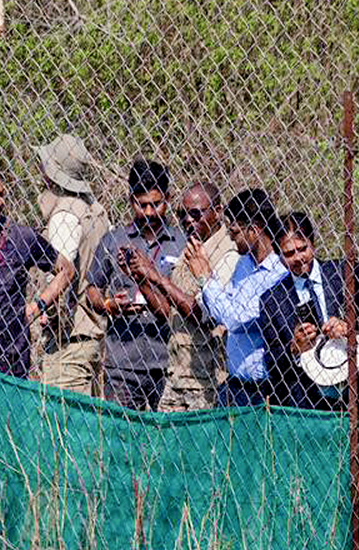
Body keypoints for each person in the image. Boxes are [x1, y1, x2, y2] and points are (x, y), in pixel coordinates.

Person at [259, 211, 359, 411]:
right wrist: (295, 348)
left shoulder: (346, 273)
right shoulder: (272, 300)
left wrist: (349, 327)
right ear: (279, 255)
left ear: (313, 244)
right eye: (289, 254)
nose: (299, 258)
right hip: (308, 403)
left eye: (303, 249)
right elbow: (272, 360)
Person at [125, 182, 238, 412]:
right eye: (182, 214)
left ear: (217, 211)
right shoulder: (191, 247)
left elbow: (202, 315)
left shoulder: (229, 253)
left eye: (196, 213)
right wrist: (141, 278)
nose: (187, 220)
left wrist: (157, 277)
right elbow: (169, 312)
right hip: (177, 373)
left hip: (208, 379)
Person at [85, 159, 187, 411]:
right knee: (121, 431)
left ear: (168, 198)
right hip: (122, 365)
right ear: (131, 200)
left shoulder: (182, 244)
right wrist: (108, 305)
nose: (149, 213)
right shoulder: (113, 240)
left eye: (156, 204)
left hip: (168, 364)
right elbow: (92, 288)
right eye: (142, 205)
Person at [0, 164, 74, 380]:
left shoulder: (20, 236)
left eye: (1, 195)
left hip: (11, 355)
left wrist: (37, 306)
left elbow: (66, 270)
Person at [35, 133, 110, 394]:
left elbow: (60, 277)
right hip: (92, 333)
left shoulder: (65, 215)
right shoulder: (95, 210)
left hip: (68, 341)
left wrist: (47, 313)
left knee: (60, 414)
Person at [198, 187, 286, 405]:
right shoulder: (243, 264)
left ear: (253, 230)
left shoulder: (279, 273)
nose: (231, 237)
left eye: (235, 232)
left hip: (266, 389)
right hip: (236, 384)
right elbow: (228, 303)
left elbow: (236, 320)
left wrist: (206, 279)